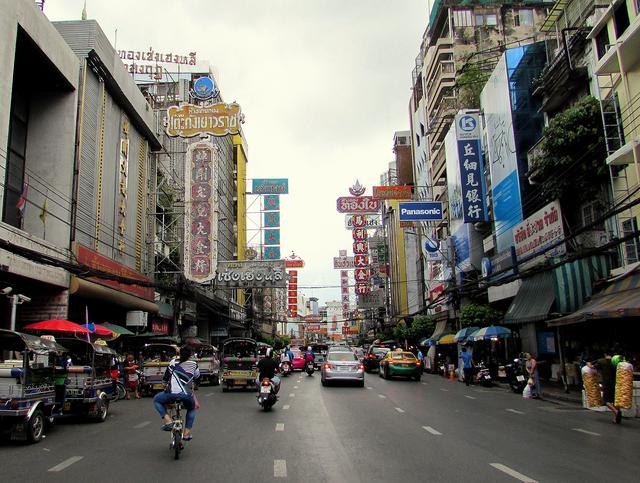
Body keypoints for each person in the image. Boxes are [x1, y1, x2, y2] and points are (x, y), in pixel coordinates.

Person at [153, 346, 200, 440]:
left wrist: (165, 385)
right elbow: (197, 377)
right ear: (190, 355)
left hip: (171, 394)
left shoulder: (173, 362)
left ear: (179, 353)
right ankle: (186, 434)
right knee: (191, 408)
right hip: (187, 395)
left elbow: (166, 378)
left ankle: (168, 420)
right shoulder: (194, 364)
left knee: (156, 400)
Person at [594, 350, 621, 424]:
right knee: (615, 400)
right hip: (616, 383)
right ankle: (616, 417)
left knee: (606, 400)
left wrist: (588, 364)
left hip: (607, 383)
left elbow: (593, 367)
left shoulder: (601, 361)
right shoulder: (616, 362)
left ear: (605, 354)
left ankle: (616, 411)